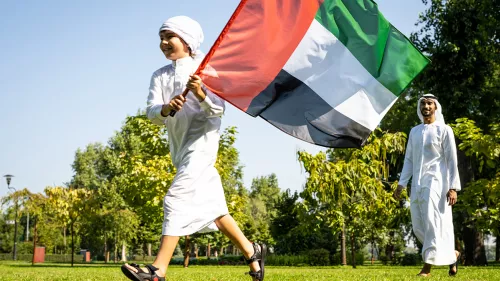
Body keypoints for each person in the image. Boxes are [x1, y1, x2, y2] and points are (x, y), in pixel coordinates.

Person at [120, 16, 266, 281]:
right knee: (216, 211)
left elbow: (219, 110)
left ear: (187, 41)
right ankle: (252, 251)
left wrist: (200, 93)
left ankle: (158, 270)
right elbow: (152, 112)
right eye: (161, 38)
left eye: (169, 37)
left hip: (202, 143)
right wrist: (166, 108)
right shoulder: (159, 76)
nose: (164, 43)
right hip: (179, 146)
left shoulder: (206, 68)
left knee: (175, 197)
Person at [394, 94, 461, 277]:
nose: (426, 106)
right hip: (417, 183)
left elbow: (451, 160)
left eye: (430, 103)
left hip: (437, 182)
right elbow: (409, 159)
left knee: (432, 223)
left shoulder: (445, 129)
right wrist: (401, 184)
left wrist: (453, 187)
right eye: (423, 103)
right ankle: (451, 255)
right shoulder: (414, 131)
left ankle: (427, 267)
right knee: (418, 225)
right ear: (420, 107)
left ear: (436, 107)